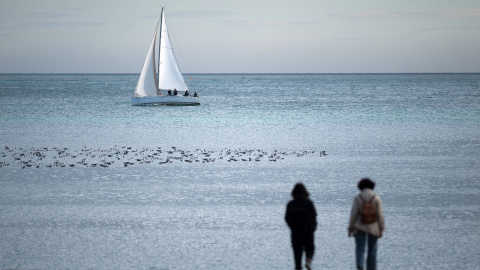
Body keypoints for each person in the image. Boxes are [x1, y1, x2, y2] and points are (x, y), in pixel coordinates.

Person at [348, 178, 385, 270]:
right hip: (374, 226)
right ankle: (371, 268)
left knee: (360, 248)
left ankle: (360, 266)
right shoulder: (376, 198)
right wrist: (381, 228)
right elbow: (380, 215)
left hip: (360, 226)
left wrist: (350, 228)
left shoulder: (358, 197)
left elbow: (354, 214)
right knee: (372, 250)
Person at [285, 183, 317, 270]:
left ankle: (298, 267)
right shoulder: (309, 203)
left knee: (297, 253)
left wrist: (292, 227)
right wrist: (313, 227)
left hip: (295, 232)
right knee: (310, 249)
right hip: (308, 231)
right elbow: (314, 216)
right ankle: (308, 261)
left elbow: (287, 218)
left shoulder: (290, 204)